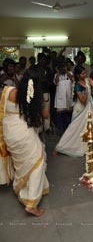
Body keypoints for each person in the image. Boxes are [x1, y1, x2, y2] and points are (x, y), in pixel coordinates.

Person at [0, 67, 49, 216]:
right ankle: (31, 202)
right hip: (23, 133)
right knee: (37, 162)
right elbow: (45, 116)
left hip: (9, 132)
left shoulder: (8, 91)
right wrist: (43, 103)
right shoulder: (33, 99)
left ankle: (29, 187)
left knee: (21, 162)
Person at [54, 65, 93, 157]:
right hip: (81, 110)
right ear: (78, 75)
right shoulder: (78, 85)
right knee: (73, 129)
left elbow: (92, 94)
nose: (85, 74)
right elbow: (82, 101)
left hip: (89, 108)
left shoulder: (87, 80)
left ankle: (86, 147)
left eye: (85, 72)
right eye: (82, 73)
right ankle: (59, 147)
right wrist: (86, 89)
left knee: (87, 128)